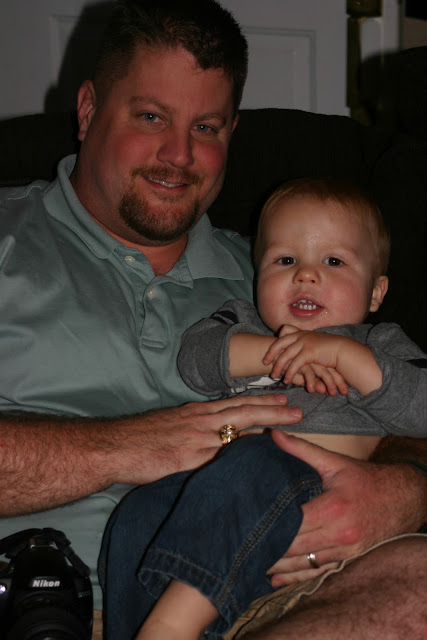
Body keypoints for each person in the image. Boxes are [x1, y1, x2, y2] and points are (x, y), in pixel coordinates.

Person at [0, 1, 425, 639]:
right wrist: (125, 446)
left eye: (206, 127)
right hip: (36, 601)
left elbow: (398, 401)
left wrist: (405, 490)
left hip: (261, 604)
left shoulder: (278, 278)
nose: (179, 154)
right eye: (151, 117)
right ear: (87, 110)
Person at [128, 178, 427, 640]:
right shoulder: (243, 321)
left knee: (256, 460)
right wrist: (282, 353)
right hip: (218, 502)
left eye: (333, 261)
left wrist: (346, 357)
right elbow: (197, 359)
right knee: (137, 513)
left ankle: (168, 629)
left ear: (375, 292)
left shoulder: (380, 343)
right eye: (286, 260)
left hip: (314, 502)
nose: (306, 275)